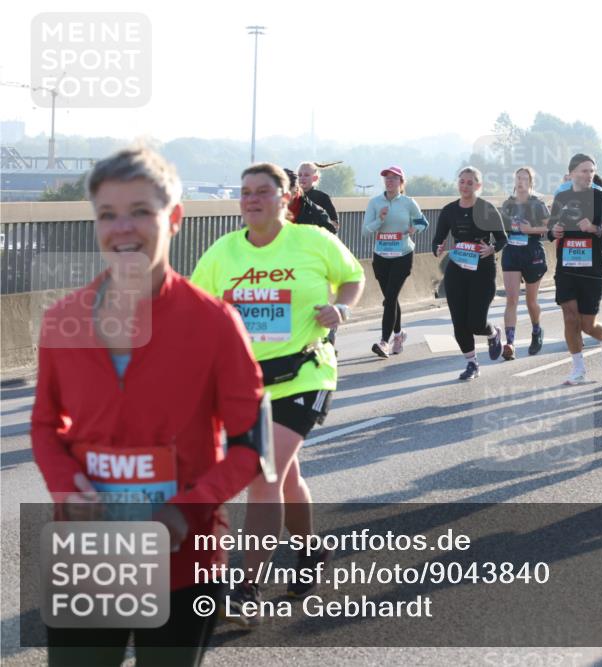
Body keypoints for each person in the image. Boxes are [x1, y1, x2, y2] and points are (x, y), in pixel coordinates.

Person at [33, 148, 266, 665]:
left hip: (183, 561)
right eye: (108, 215)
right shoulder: (61, 319)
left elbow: (251, 446)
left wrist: (186, 510)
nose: (123, 229)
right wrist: (67, 486)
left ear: (174, 219)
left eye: (140, 211)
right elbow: (47, 425)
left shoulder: (214, 323)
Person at [191, 162, 365, 620]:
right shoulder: (222, 252)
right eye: (245, 192)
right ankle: (311, 551)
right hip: (244, 382)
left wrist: (341, 309)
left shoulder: (313, 240)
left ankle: (247, 588)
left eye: (263, 191)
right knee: (286, 478)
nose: (252, 199)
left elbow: (353, 277)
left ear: (285, 199)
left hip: (306, 372)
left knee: (263, 474)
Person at [432, 167, 508, 380]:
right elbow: (438, 238)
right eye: (462, 181)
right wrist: (437, 247)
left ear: (478, 186)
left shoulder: (486, 209)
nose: (465, 186)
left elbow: (502, 238)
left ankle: (493, 333)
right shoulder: (449, 210)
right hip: (457, 269)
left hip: (482, 270)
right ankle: (472, 363)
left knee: (476, 322)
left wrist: (492, 248)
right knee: (459, 321)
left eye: (470, 182)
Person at [548, 153, 602, 385]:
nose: (589, 175)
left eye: (592, 171)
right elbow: (550, 228)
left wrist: (594, 228)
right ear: (572, 173)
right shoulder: (562, 197)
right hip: (566, 267)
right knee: (569, 317)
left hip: (592, 268)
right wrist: (553, 231)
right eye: (584, 171)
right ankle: (578, 369)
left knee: (588, 324)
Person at [363, 166, 428, 357]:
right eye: (386, 178)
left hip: (403, 255)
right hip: (381, 256)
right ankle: (399, 335)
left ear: (401, 182)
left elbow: (423, 223)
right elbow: (366, 231)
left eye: (394, 178)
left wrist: (415, 229)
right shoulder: (375, 203)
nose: (389, 181)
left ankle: (384, 342)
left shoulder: (408, 203)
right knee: (391, 300)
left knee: (390, 299)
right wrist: (379, 220)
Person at [499, 167, 550, 360]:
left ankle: (537, 330)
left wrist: (531, 229)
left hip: (532, 253)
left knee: (531, 301)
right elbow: (501, 229)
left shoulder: (537, 204)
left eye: (525, 178)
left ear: (531, 182)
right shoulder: (508, 204)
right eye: (518, 177)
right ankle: (510, 343)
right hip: (512, 252)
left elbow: (549, 227)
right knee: (511, 299)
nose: (521, 181)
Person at [297, 161, 340, 233]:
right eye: (300, 175)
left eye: (306, 175)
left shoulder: (323, 197)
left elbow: (334, 224)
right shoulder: (293, 197)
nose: (302, 178)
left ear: (315, 178)